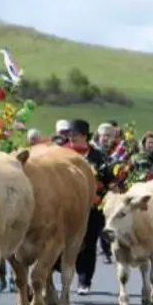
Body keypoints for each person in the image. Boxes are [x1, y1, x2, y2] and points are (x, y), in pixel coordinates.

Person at [63, 119, 110, 294]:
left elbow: (107, 178)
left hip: (92, 206)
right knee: (63, 242)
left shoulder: (97, 156)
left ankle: (84, 280)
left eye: (74, 134)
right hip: (65, 206)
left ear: (84, 136)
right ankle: (63, 272)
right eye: (69, 134)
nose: (71, 137)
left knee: (89, 243)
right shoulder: (61, 154)